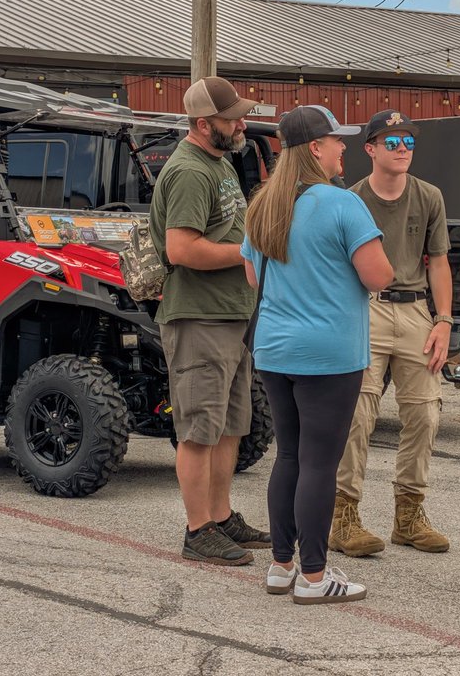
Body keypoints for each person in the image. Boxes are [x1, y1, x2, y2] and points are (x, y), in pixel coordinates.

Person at [241, 105, 393, 604]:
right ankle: (313, 575)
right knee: (320, 464)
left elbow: (253, 277)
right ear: (315, 149)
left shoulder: (264, 202)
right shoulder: (342, 204)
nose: (343, 148)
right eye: (336, 141)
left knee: (289, 455)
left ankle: (281, 565)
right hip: (329, 352)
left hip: (274, 348)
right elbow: (378, 276)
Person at [149, 75, 271, 566]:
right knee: (200, 428)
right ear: (204, 124)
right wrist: (247, 254)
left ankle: (221, 518)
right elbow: (181, 248)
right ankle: (198, 530)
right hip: (199, 317)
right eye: (232, 118)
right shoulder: (190, 171)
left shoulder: (218, 164)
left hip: (229, 315)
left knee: (230, 425)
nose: (242, 123)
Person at [330, 109, 452, 557]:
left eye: (409, 142)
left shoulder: (429, 196)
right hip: (366, 309)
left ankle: (409, 515)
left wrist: (443, 320)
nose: (402, 149)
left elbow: (437, 262)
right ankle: (344, 516)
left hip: (417, 309)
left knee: (425, 413)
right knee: (357, 416)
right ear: (371, 149)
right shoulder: (351, 199)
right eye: (392, 142)